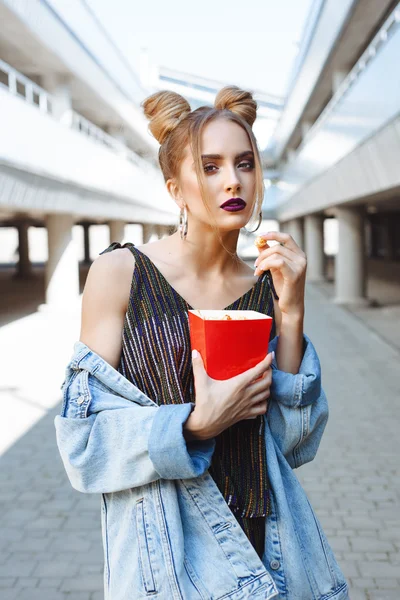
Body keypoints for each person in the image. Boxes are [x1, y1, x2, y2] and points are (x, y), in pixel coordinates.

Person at [55, 86, 349, 599]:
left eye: (244, 164)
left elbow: (294, 443)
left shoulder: (268, 285)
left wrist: (295, 309)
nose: (232, 180)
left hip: (264, 545)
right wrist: (192, 426)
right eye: (209, 167)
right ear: (175, 190)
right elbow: (83, 446)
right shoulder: (121, 273)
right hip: (165, 554)